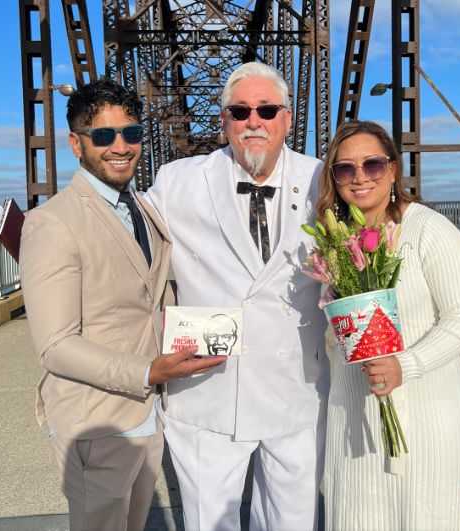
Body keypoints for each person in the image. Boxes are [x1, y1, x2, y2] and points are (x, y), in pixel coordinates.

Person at [19, 79, 225, 531]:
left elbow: (149, 296)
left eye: (131, 134)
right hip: (96, 421)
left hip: (148, 414)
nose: (120, 146)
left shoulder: (141, 208)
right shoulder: (51, 224)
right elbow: (55, 345)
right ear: (76, 143)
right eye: (103, 135)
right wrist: (147, 372)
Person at [145, 62, 330, 531]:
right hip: (208, 390)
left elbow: (373, 237)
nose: (254, 121)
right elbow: (123, 242)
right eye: (240, 110)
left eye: (267, 110)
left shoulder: (324, 180)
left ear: (287, 118)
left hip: (297, 389)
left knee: (293, 523)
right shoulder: (176, 181)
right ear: (224, 119)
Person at [317, 120, 460, 530]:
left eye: (372, 165)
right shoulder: (337, 241)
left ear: (393, 170)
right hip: (353, 416)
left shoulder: (429, 230)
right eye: (344, 169)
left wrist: (404, 365)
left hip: (424, 418)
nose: (359, 177)